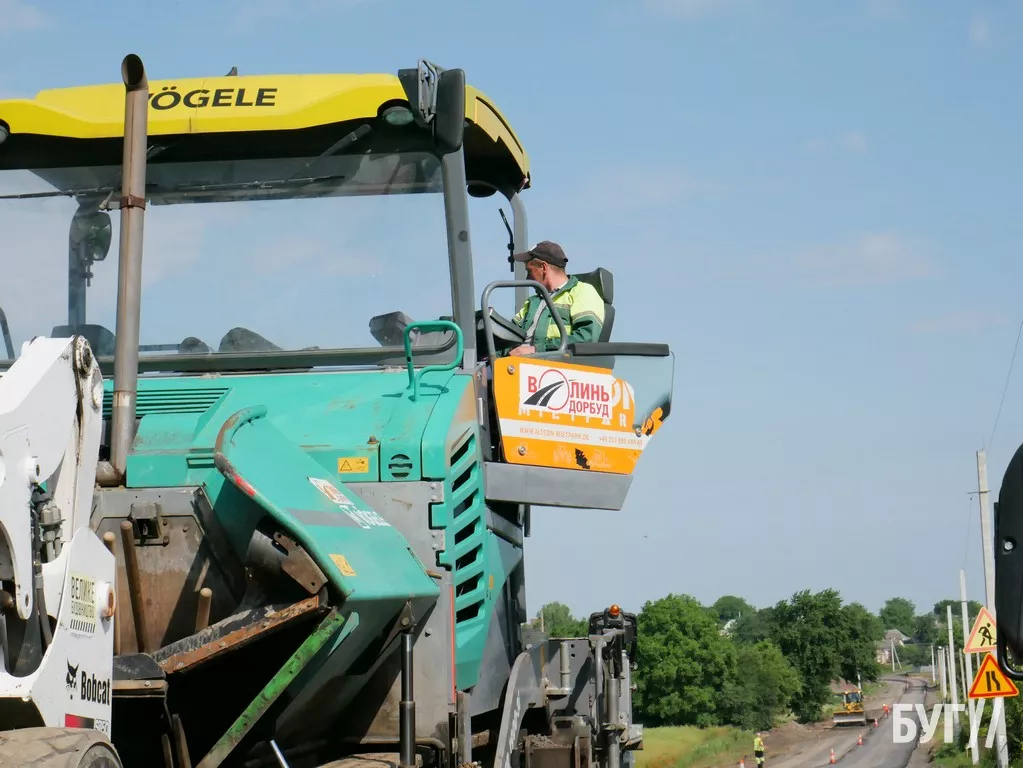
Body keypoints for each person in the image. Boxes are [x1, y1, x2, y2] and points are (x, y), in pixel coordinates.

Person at [506, 240, 605, 356]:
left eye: (529, 271)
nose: (527, 278)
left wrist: (536, 350)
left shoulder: (583, 292)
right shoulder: (532, 302)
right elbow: (508, 337)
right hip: (515, 365)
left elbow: (586, 338)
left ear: (543, 267)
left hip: (553, 366)